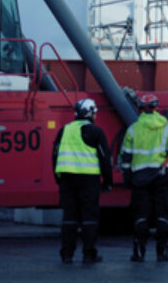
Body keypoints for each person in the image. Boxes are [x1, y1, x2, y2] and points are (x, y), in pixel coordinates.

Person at [118, 94, 168, 263]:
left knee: (141, 215)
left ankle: (139, 253)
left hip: (139, 178)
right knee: (162, 213)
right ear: (156, 107)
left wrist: (126, 177)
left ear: (140, 109)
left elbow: (126, 157)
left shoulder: (133, 129)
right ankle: (162, 253)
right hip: (160, 176)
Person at [53, 97, 113, 264]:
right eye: (94, 113)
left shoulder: (63, 130)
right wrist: (108, 181)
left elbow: (55, 156)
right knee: (89, 218)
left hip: (66, 179)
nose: (95, 116)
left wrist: (58, 178)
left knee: (69, 217)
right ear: (90, 113)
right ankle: (89, 254)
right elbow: (104, 159)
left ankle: (67, 255)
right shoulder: (95, 132)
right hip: (88, 180)